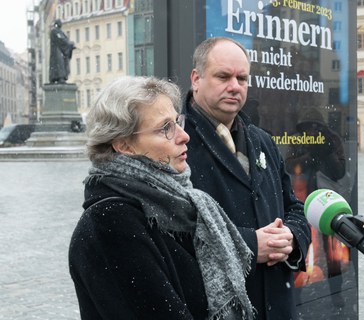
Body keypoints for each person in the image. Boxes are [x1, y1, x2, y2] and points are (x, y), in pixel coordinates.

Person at [68, 76, 255, 320]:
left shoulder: (180, 203)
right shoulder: (111, 224)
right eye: (165, 128)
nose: (183, 136)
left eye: (178, 122)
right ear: (125, 145)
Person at [183, 37, 311, 319]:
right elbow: (177, 232)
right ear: (196, 78)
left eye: (242, 78)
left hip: (277, 305)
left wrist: (290, 238)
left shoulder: (261, 139)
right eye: (223, 76)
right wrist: (250, 245)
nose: (234, 86)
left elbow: (294, 208)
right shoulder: (177, 144)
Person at [284, 106, 348, 306]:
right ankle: (298, 292)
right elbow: (287, 166)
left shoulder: (332, 140)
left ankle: (335, 292)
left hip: (327, 201)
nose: (312, 131)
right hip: (302, 197)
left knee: (332, 249)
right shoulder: (298, 140)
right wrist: (307, 157)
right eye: (308, 128)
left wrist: (325, 151)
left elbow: (339, 171)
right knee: (302, 244)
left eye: (316, 128)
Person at [49, 19, 75, 84]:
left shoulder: (61, 32)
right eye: (59, 23)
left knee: (63, 63)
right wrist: (68, 44)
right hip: (57, 50)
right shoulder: (54, 31)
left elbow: (65, 39)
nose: (61, 24)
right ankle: (59, 77)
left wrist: (69, 45)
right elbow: (61, 39)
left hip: (61, 50)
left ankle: (62, 77)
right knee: (59, 63)